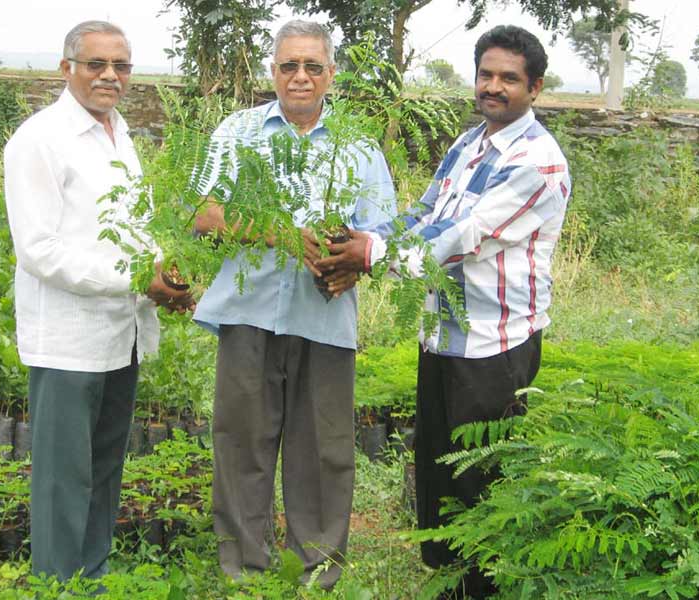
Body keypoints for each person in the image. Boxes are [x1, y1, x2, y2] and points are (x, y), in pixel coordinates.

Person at [315, 25, 571, 598]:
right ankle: (446, 579)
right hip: (443, 335)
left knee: (480, 477)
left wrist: (371, 254)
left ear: (535, 87)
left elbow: (465, 237)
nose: (494, 87)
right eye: (487, 75)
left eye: (510, 78)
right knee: (438, 465)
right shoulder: (468, 144)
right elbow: (428, 213)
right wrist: (363, 240)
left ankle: (480, 587)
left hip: (493, 345)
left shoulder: (538, 164)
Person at [192, 19, 397, 590]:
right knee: (241, 445)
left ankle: (317, 571)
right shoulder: (239, 132)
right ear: (273, 73)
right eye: (289, 66)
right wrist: (279, 232)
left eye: (312, 66)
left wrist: (346, 267)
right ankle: (244, 568)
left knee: (323, 452)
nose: (300, 77)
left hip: (323, 315)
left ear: (331, 75)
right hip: (247, 311)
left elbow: (380, 236)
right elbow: (203, 214)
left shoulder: (359, 146)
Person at [3, 20, 190, 583]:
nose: (111, 76)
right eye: (96, 64)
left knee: (105, 463)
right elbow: (41, 251)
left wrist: (164, 270)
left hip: (120, 332)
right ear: (67, 69)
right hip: (68, 336)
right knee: (64, 472)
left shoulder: (119, 133)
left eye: (122, 66)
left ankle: (93, 572)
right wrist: (141, 278)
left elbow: (131, 228)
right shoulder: (39, 140)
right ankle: (57, 581)